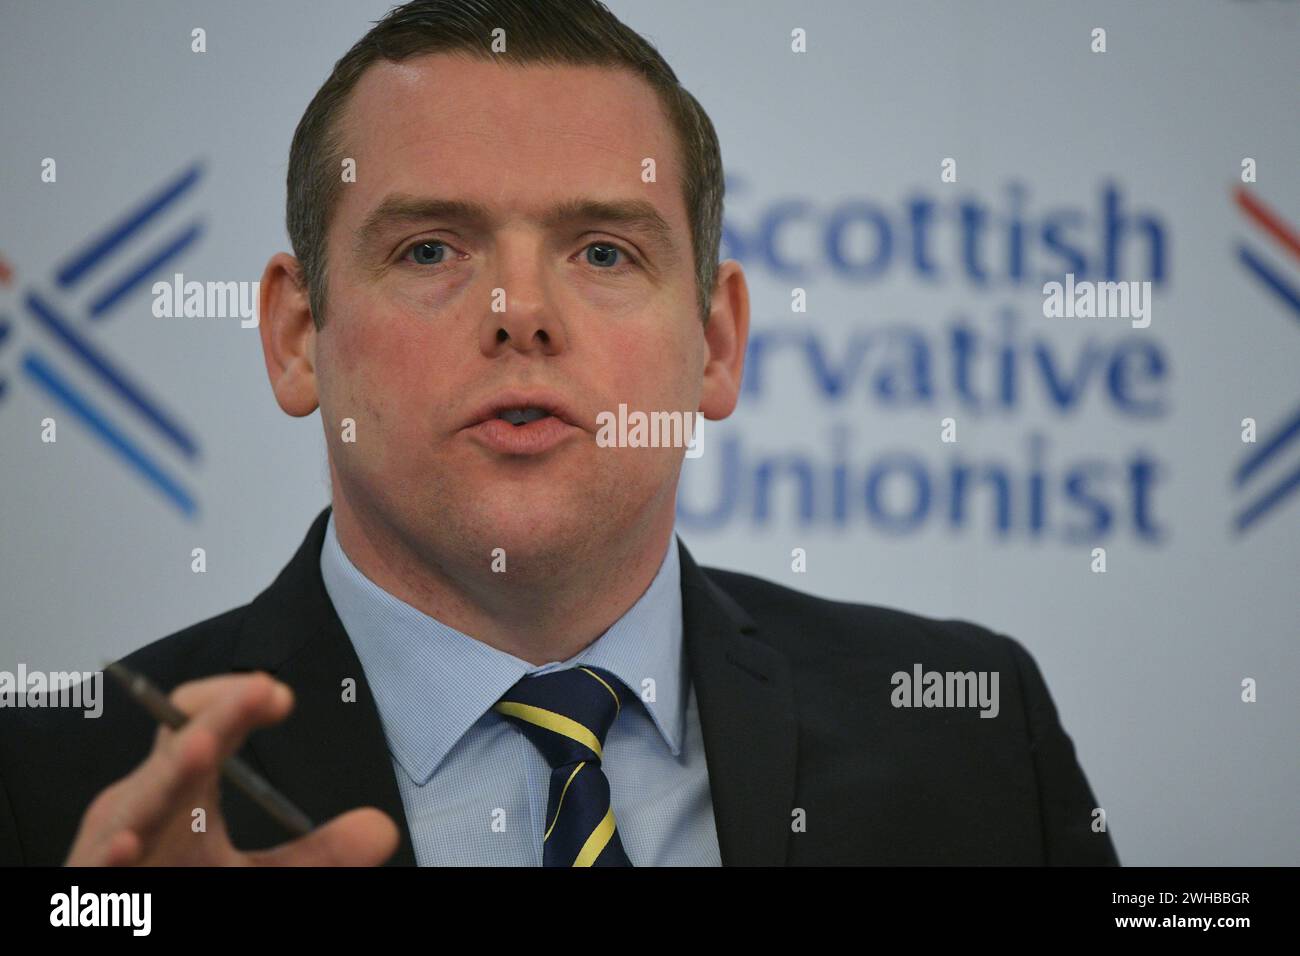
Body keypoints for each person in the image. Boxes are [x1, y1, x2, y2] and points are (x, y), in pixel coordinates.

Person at [0, 0, 1119, 867]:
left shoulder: (967, 725)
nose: (519, 312)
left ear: (716, 342)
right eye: (431, 248)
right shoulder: (60, 781)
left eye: (603, 251)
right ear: (299, 337)